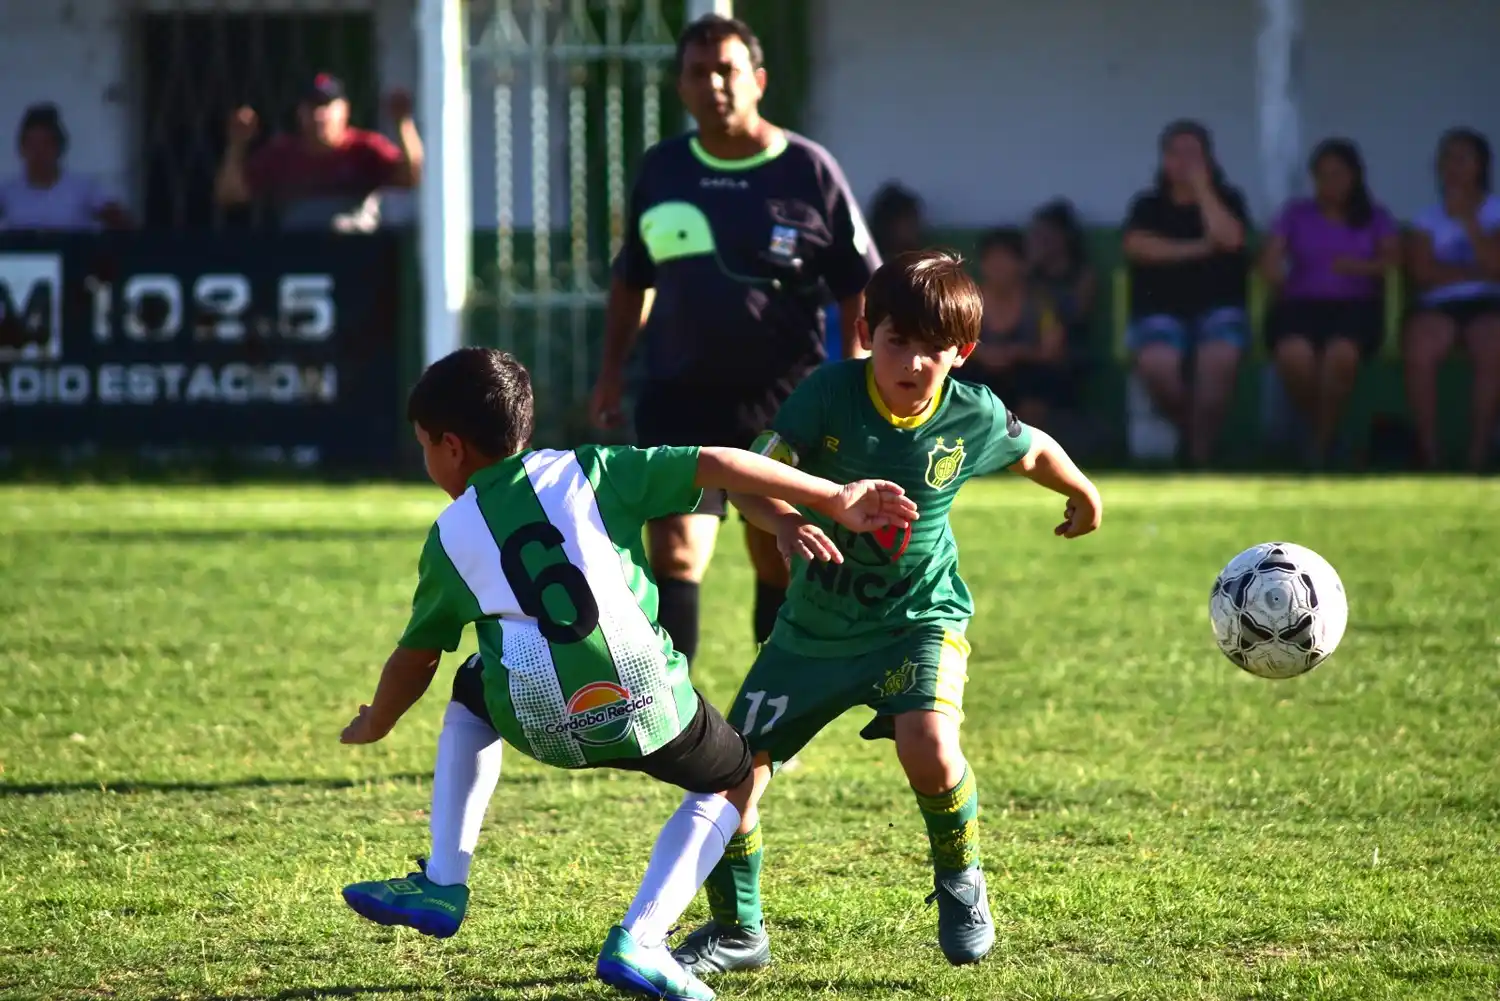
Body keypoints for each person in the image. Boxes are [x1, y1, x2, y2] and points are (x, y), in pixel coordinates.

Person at [337, 347, 916, 1001]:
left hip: (539, 721)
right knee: (732, 781)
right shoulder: (592, 469)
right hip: (648, 703)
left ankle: (444, 879)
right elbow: (719, 464)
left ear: (451, 447)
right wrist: (830, 496)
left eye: (424, 447)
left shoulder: (450, 533)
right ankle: (642, 938)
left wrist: (378, 720)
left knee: (472, 683)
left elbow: (416, 657)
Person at [652, 250, 1103, 975]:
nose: (915, 362)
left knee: (927, 744)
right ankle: (739, 930)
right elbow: (748, 475)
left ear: (964, 353)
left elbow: (1032, 449)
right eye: (899, 342)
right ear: (866, 331)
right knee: (728, 774)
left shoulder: (970, 412)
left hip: (918, 618)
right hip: (814, 631)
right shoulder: (826, 395)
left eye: (934, 350)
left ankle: (961, 881)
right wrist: (785, 522)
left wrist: (1081, 491)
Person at [589, 14, 880, 671]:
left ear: (759, 81)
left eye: (728, 70)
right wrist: (610, 372)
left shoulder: (809, 169)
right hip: (677, 390)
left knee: (778, 549)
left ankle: (769, 702)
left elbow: (858, 284)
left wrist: (854, 377)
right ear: (681, 87)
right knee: (675, 551)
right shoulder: (661, 171)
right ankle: (673, 707)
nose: (715, 83)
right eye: (699, 71)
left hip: (783, 397)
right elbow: (631, 281)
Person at [1259, 139, 1400, 466]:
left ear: (1354, 177)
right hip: (1301, 304)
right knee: (1295, 356)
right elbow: (1271, 257)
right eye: (1321, 176)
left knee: (1341, 355)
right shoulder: (1296, 214)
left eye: (1337, 174)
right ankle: (1327, 436)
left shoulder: (1375, 217)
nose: (1329, 183)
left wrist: (1358, 267)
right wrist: (1272, 269)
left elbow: (1393, 261)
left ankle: (1318, 449)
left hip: (1356, 305)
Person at [1122, 120, 1251, 467]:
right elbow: (1138, 246)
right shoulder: (1147, 205)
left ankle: (1198, 455)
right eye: (1175, 153)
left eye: (1193, 153)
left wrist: (1203, 191)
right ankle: (1199, 441)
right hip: (1158, 312)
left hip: (1219, 310)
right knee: (1158, 365)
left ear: (1210, 158)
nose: (1184, 161)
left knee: (1219, 360)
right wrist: (1200, 248)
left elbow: (1232, 239)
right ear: (1163, 159)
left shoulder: (1229, 200)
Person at [1402, 128, 1500, 471]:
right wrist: (1475, 270)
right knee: (1420, 347)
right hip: (1438, 304)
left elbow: (1498, 268)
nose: (1453, 167)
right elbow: (1422, 272)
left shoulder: (1495, 211)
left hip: (1489, 303)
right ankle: (1430, 452)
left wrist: (1470, 223)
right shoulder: (1426, 217)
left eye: (1462, 158)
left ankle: (1478, 452)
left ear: (1481, 166)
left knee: (1493, 347)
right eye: (1446, 158)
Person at [214, 73, 422, 231]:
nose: (320, 115)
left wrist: (403, 123)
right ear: (299, 113)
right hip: (302, 254)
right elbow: (230, 195)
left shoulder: (365, 148)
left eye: (327, 106)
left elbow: (411, 177)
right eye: (312, 107)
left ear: (345, 110)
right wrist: (237, 143)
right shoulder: (282, 153)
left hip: (357, 253)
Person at [964, 227, 1073, 427]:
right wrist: (983, 354)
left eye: (1006, 260)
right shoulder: (966, 301)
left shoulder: (1040, 302)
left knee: (1039, 380)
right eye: (992, 260)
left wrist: (1016, 353)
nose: (998, 267)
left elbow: (1053, 351)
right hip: (979, 372)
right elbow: (950, 342)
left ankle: (1025, 443)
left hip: (1025, 373)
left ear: (1022, 264)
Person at [0, 103, 129, 231]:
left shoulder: (84, 189)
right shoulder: (7, 192)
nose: (39, 153)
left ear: (59, 148)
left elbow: (122, 222)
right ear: (21, 149)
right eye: (32, 145)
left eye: (46, 144)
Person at [1027, 198, 1096, 340]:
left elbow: (1076, 315)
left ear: (1064, 238)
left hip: (1069, 345)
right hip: (1031, 345)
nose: (1037, 242)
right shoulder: (1029, 273)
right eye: (1035, 235)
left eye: (1045, 236)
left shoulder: (1082, 275)